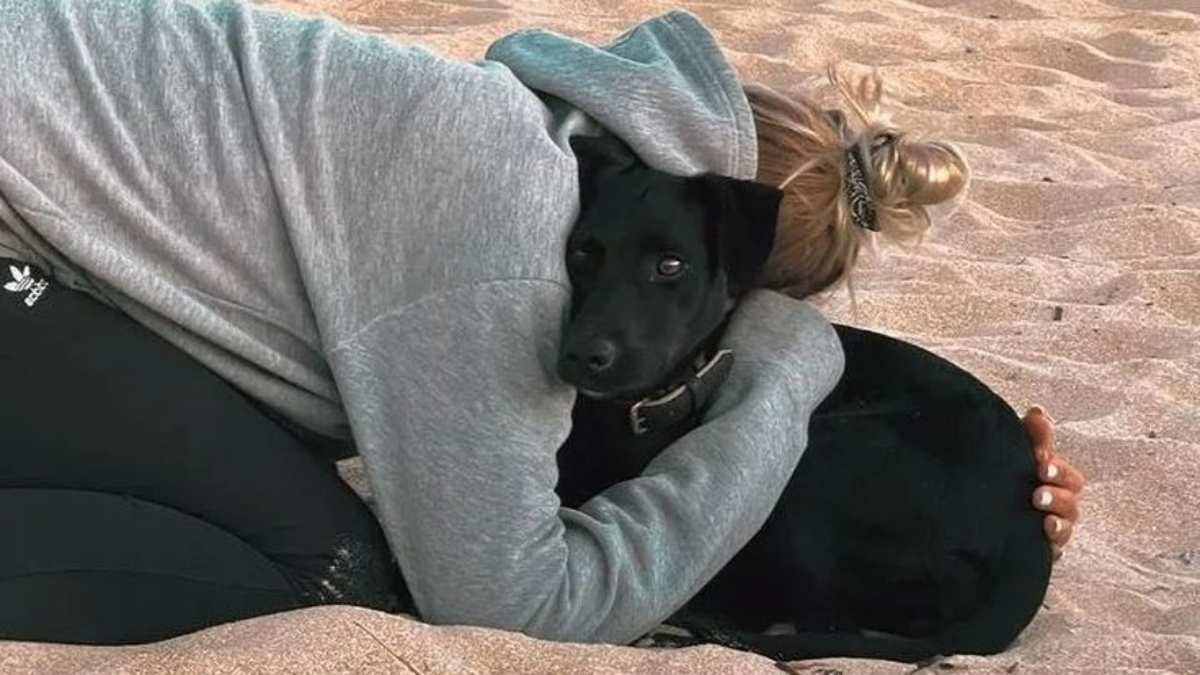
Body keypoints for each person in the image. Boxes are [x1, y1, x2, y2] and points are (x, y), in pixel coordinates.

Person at [0, 0, 1082, 646]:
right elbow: (517, 604)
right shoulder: (506, 243)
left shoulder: (526, 128)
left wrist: (989, 485)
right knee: (333, 575)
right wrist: (784, 391)